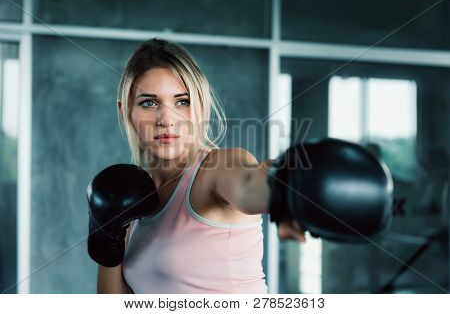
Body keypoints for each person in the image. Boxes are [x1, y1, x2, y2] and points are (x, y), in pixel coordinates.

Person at [87, 38, 393, 294]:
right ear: (126, 110)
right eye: (149, 103)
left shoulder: (217, 170)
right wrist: (105, 240)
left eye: (182, 101)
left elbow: (249, 182)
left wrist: (282, 186)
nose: (166, 119)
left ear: (201, 107)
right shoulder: (130, 199)